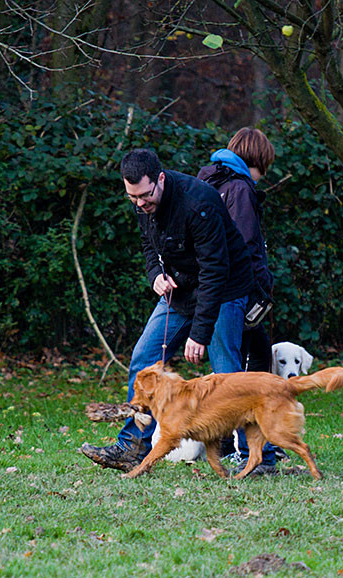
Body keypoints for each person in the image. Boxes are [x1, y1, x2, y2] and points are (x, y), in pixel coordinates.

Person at [80, 149, 254, 471]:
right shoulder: (142, 202)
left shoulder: (199, 203)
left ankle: (251, 454)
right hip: (180, 289)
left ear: (160, 179)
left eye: (145, 196)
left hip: (224, 289)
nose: (140, 204)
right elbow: (150, 246)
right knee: (143, 358)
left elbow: (215, 271)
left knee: (226, 373)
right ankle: (132, 447)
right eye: (133, 198)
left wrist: (200, 333)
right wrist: (155, 276)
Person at [197, 127, 281, 475]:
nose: (263, 177)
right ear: (257, 160)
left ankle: (260, 449)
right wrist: (261, 290)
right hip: (234, 291)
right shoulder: (241, 188)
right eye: (264, 167)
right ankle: (254, 452)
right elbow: (246, 245)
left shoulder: (209, 183)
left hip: (211, 289)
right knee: (236, 377)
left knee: (246, 365)